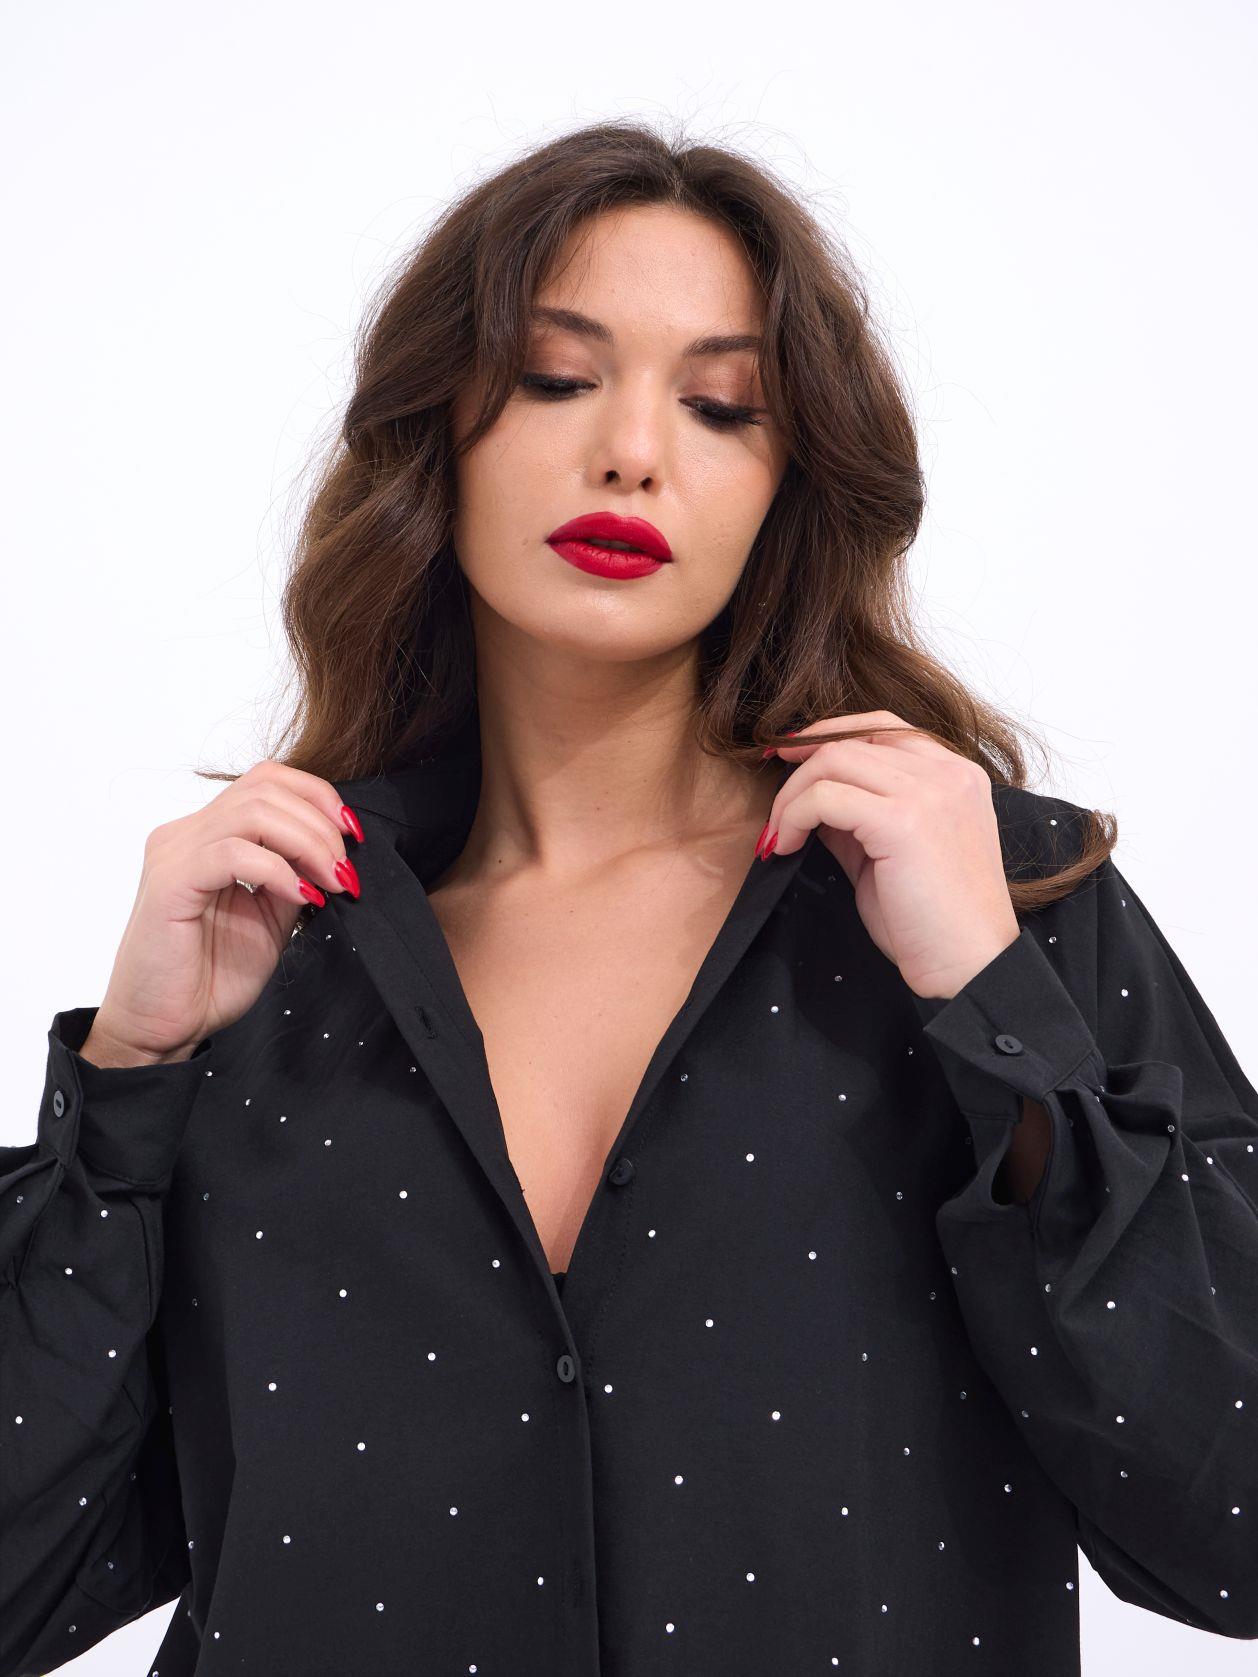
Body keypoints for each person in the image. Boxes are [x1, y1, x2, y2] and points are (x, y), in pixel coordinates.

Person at [3, 119, 1255, 1677]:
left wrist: (993, 1009)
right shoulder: (264, 950)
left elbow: (1229, 1521)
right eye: (553, 377)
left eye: (721, 407)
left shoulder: (994, 898)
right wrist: (128, 1082)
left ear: (789, 484)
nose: (632, 451)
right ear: (436, 433)